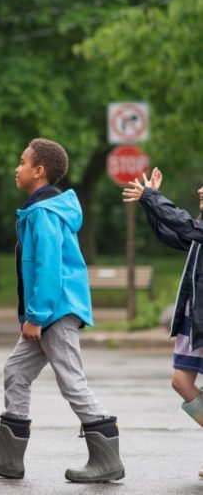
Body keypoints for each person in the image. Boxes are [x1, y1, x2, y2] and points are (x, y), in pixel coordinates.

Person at [0, 138, 125, 483]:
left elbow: (49, 268)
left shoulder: (44, 213)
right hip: (48, 312)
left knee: (71, 380)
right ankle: (8, 458)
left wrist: (36, 317)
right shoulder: (41, 210)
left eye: (22, 162)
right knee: (16, 371)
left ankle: (107, 458)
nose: (17, 168)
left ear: (39, 171)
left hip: (53, 312)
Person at [123, 168, 203, 478]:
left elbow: (182, 223)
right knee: (180, 382)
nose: (200, 191)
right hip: (194, 321)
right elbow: (173, 233)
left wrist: (153, 197)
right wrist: (148, 203)